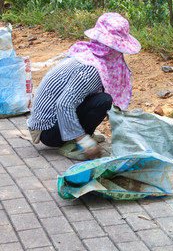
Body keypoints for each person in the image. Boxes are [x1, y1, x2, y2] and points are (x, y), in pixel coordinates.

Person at [27, 12, 141, 160]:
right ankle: (72, 142)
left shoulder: (86, 52)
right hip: (47, 131)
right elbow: (64, 104)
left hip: (47, 123)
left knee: (102, 100)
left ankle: (78, 134)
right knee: (104, 101)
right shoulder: (92, 68)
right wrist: (83, 140)